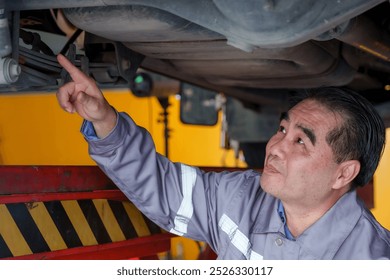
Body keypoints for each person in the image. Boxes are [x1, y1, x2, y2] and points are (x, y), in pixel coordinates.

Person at [56, 54, 390, 260]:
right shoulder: (240, 197)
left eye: (301, 141)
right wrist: (104, 120)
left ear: (343, 174)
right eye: (283, 129)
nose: (275, 146)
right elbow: (163, 190)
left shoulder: (372, 261)